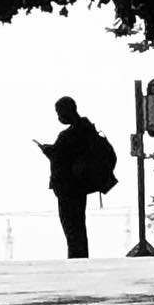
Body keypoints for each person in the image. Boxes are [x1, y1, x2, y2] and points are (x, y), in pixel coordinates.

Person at [34, 96, 98, 259]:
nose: (59, 116)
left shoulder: (70, 135)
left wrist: (49, 151)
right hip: (79, 186)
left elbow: (62, 159)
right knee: (78, 225)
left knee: (72, 226)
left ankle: (77, 257)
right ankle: (80, 256)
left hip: (69, 187)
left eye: (59, 112)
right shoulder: (86, 129)